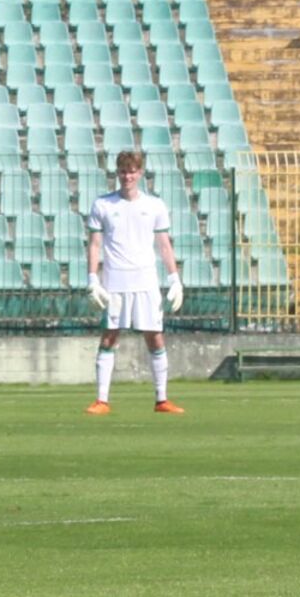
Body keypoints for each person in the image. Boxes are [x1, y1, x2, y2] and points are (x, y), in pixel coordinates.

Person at [85, 150, 183, 415]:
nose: (127, 176)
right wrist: (93, 280)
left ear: (140, 173)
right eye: (123, 171)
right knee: (109, 336)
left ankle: (162, 399)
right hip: (115, 281)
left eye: (132, 171)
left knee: (155, 337)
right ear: (117, 173)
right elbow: (95, 245)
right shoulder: (103, 205)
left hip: (146, 281)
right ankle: (101, 400)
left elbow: (164, 245)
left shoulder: (155, 206)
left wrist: (175, 279)